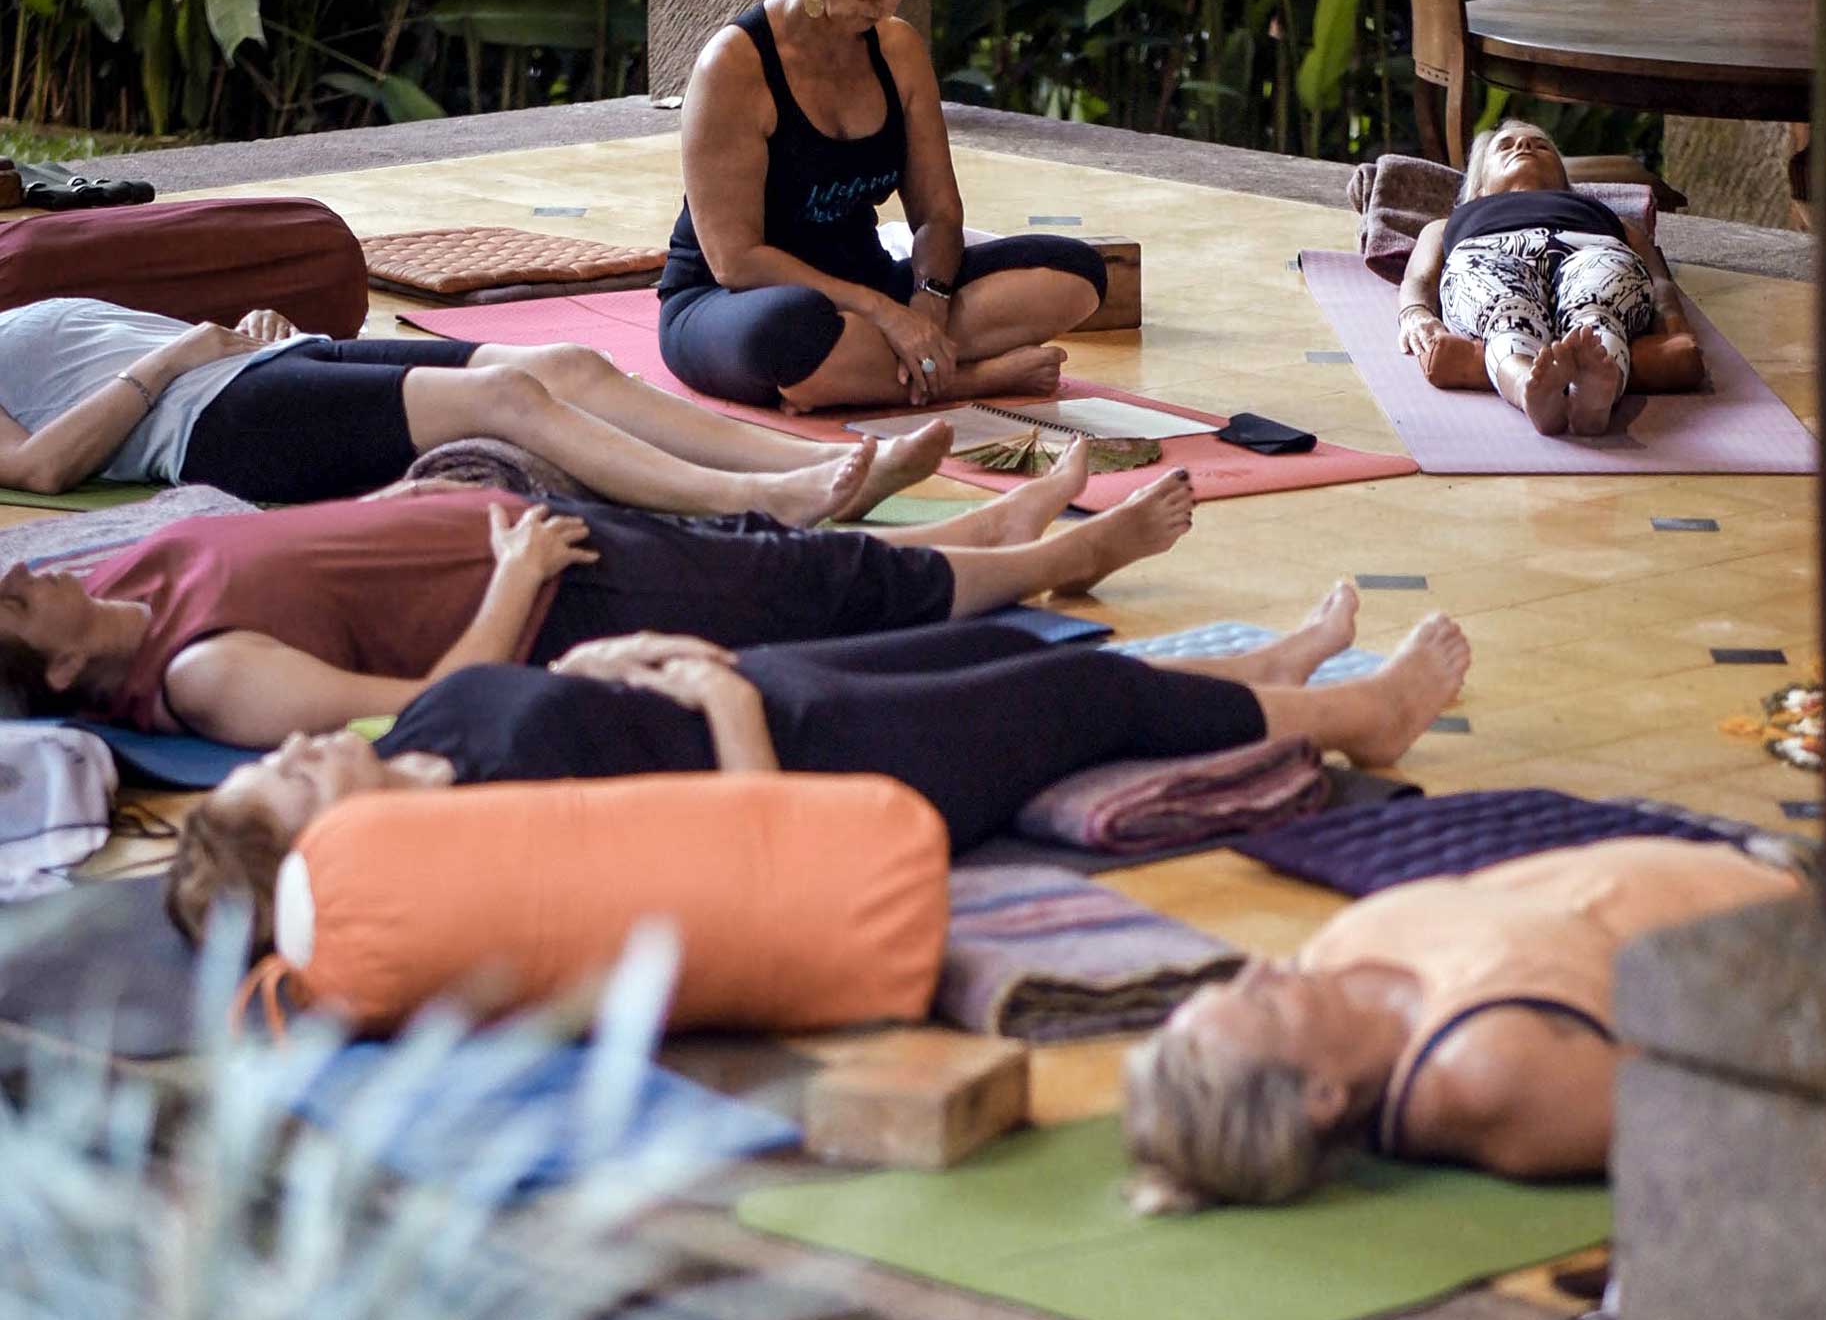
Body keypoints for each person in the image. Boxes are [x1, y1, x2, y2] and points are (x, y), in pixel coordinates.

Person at [166, 598, 1476, 952]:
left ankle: (1267, 671)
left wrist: (608, 656)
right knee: (1084, 699)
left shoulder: (413, 745)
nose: (298, 749)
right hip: (826, 755)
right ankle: (1361, 716)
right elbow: (743, 857)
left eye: (275, 760)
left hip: (769, 681)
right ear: (329, 859)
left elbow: (539, 691)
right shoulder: (495, 835)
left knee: (1007, 646)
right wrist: (727, 703)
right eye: (294, 783)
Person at [0, 447, 1195, 747]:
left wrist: (397, 502)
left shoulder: (112, 575)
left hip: (511, 532)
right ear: (55, 669)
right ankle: (1052, 562)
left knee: (758, 548)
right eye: (12, 606)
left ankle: (985, 532)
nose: (20, 574)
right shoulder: (206, 677)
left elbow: (290, 546)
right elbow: (428, 703)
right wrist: (514, 580)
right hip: (550, 597)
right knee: (816, 584)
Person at [660, 0, 1108, 410]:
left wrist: (929, 301)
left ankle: (872, 370)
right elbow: (736, 261)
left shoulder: (897, 50)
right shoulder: (734, 65)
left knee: (1074, 273)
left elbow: (938, 215)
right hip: (738, 303)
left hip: (868, 283)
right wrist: (884, 314)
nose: (889, 3)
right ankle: (972, 379)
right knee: (793, 331)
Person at [1123, 836, 1797, 1204]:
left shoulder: (1326, 965)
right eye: (1264, 1004)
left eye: (1233, 982)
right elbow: (1745, 1104)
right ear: (1322, 1095)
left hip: (1757, 856)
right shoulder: (1487, 1074)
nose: (1261, 968)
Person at [0, 295, 957, 521]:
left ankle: (815, 467)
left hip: (265, 364)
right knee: (504, 398)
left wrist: (235, 331)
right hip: (217, 424)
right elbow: (40, 467)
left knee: (570, 363)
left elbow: (91, 357)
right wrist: (181, 351)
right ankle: (766, 502)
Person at [1395, 122, 1702, 435]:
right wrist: (1414, 312)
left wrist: (1672, 319)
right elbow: (1419, 277)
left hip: (1592, 252)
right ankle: (1527, 387)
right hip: (1489, 254)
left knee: (1597, 303)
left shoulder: (1612, 220)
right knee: (1505, 309)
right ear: (1480, 188)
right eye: (1506, 146)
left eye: (1540, 145)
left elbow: (1658, 279)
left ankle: (1596, 394)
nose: (1524, 146)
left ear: (1565, 183)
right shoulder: (1447, 224)